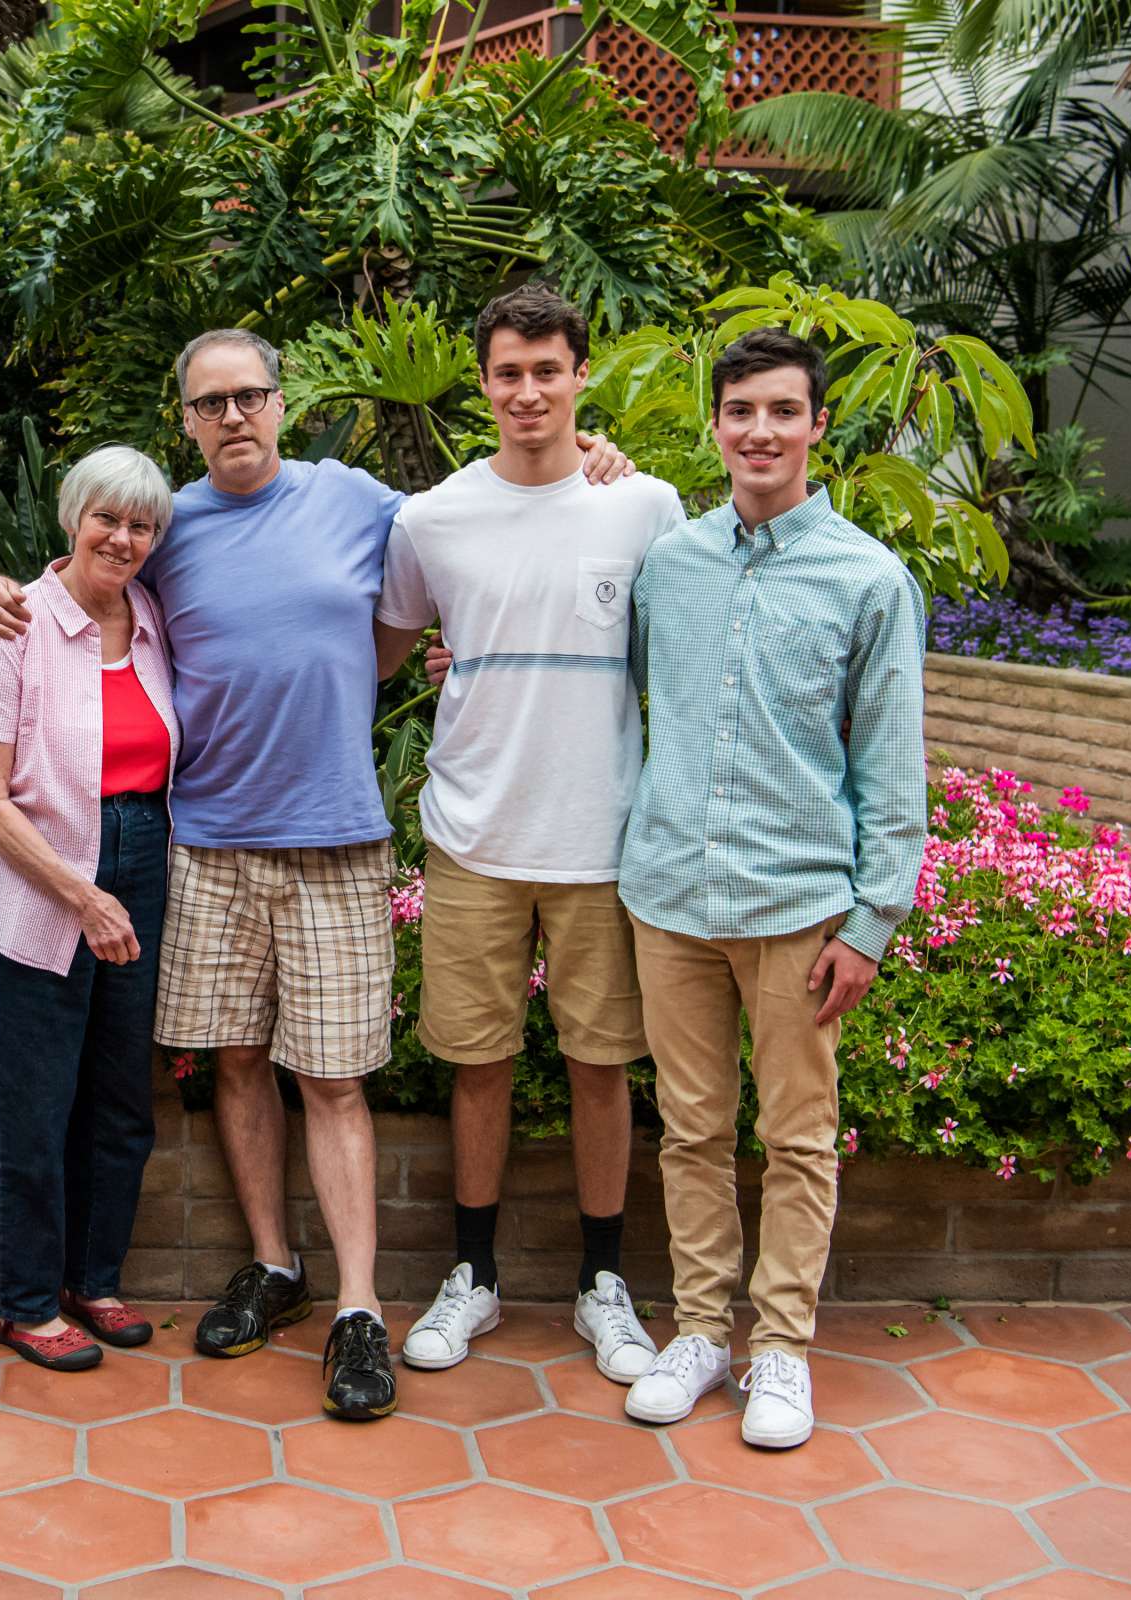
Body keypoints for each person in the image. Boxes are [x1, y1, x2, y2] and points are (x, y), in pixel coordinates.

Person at [0, 330, 633, 1421]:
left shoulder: (358, 500)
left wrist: (590, 455)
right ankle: (276, 1267)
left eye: (251, 396)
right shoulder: (169, 528)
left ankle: (360, 1308)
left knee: (333, 1077)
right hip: (210, 844)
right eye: (210, 402)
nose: (233, 416)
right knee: (237, 1062)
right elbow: (77, 582)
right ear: (184, 418)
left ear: (282, 403)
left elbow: (482, 513)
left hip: (336, 838)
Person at [617, 327, 927, 1450]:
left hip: (800, 907)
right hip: (670, 899)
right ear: (716, 424)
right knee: (692, 1128)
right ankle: (701, 1328)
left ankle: (782, 1345)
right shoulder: (671, 565)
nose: (760, 431)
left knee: (798, 1133)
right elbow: (635, 693)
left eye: (783, 412)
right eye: (741, 410)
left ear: (817, 427)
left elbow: (892, 762)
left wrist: (873, 919)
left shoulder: (868, 580)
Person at [373, 285, 682, 1383]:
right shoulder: (433, 518)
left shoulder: (644, 506)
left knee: (603, 1066)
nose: (529, 390)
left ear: (579, 376)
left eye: (548, 369)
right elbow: (385, 648)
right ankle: (476, 1279)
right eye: (509, 371)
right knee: (479, 1063)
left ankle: (605, 1284)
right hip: (473, 836)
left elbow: (676, 657)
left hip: (603, 840)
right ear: (484, 382)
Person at [0, 446, 180, 1372]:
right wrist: (83, 898)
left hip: (140, 865)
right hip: (38, 883)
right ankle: (23, 1301)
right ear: (71, 517)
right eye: (106, 519)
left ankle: (96, 1280)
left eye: (140, 525)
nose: (121, 539)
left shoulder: (154, 619)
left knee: (121, 1101)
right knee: (33, 1106)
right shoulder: (14, 625)